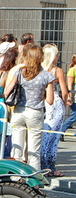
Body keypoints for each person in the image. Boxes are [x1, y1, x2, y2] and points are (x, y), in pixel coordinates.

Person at [4, 45, 55, 170]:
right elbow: (50, 100)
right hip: (35, 113)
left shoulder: (19, 72)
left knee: (17, 148)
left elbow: (6, 92)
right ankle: (34, 180)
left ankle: (16, 177)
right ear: (40, 58)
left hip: (18, 111)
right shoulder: (46, 76)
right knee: (34, 150)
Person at [40, 44, 68, 177]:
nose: (58, 57)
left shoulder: (40, 70)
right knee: (54, 136)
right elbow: (64, 91)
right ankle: (50, 166)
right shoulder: (57, 71)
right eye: (57, 54)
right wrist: (66, 101)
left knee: (43, 134)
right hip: (55, 103)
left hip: (42, 102)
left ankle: (41, 164)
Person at [61, 54, 76, 136]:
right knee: (74, 116)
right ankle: (61, 130)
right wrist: (69, 97)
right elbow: (70, 85)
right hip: (74, 96)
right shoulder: (72, 70)